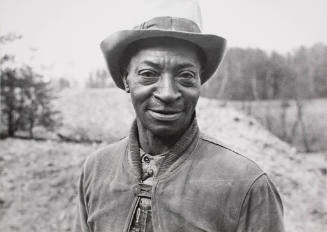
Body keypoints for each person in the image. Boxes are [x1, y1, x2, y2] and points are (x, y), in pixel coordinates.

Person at [74, 4, 285, 232]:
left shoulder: (246, 183)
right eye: (148, 74)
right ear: (126, 80)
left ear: (199, 82)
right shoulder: (96, 170)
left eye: (185, 75)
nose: (167, 93)